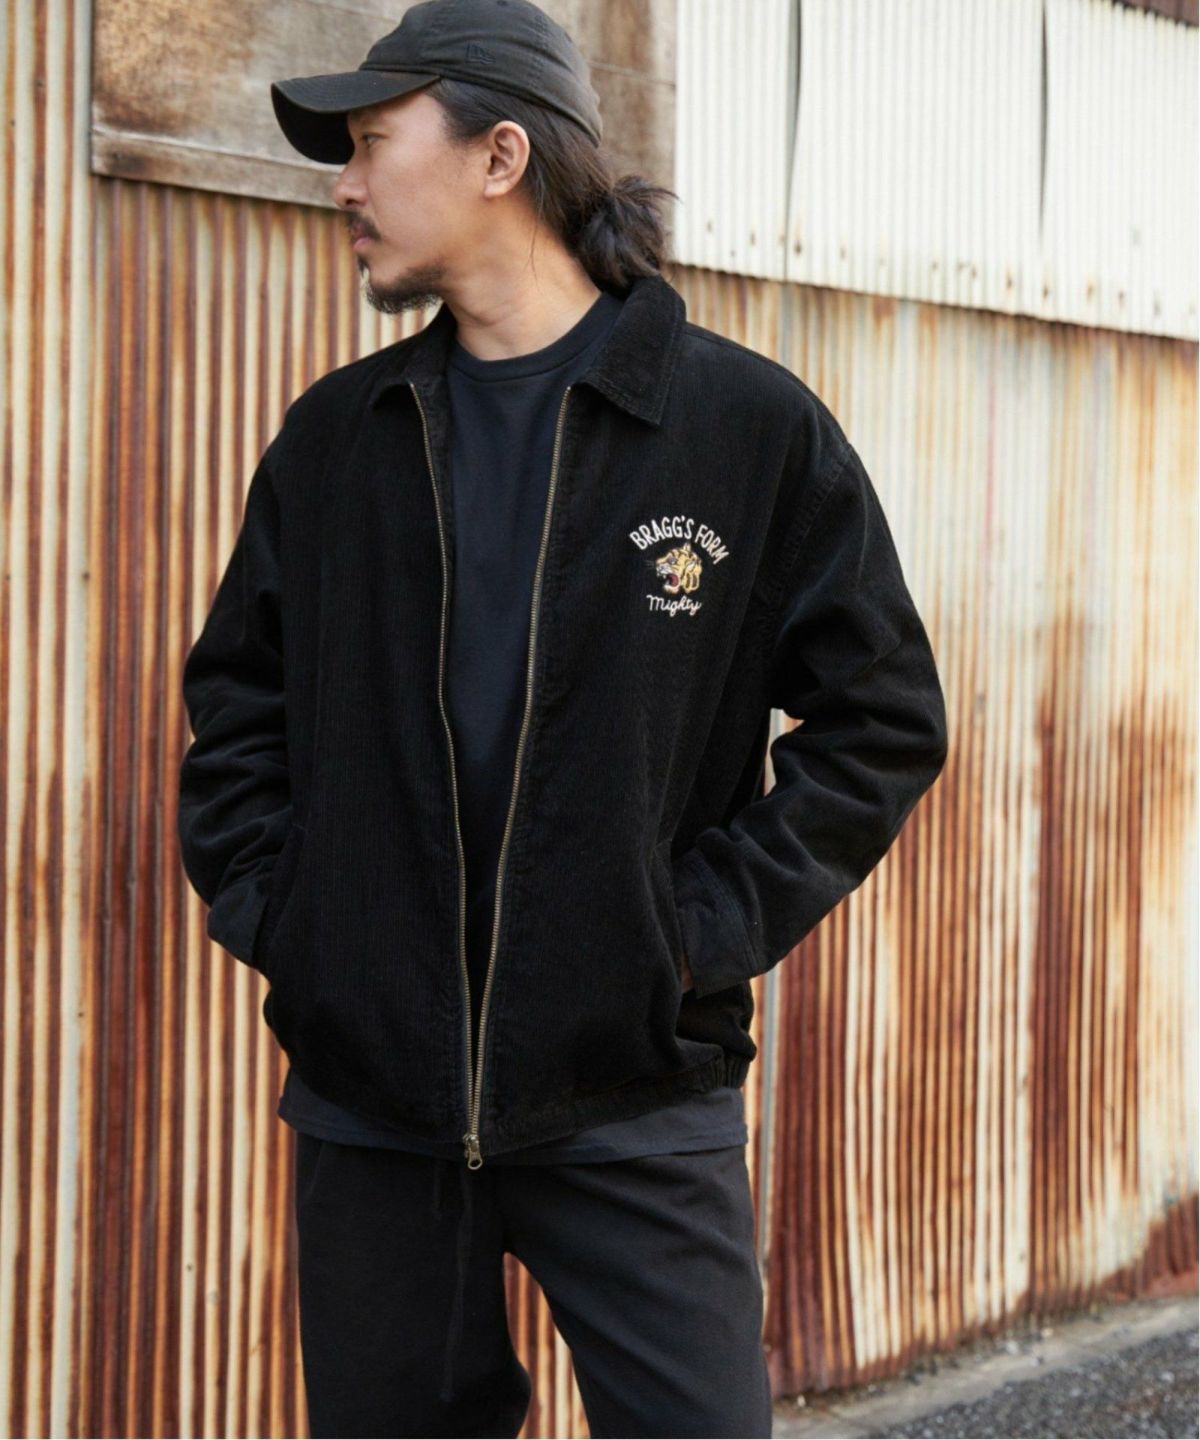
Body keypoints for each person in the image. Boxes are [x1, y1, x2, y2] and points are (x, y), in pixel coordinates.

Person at [177, 1, 950, 1434]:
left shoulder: (738, 430)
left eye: (371, 142)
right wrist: (302, 923)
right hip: (376, 1102)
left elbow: (883, 718)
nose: (344, 185)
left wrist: (688, 933)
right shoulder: (338, 441)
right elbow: (237, 707)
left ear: (501, 157)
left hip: (632, 1091)